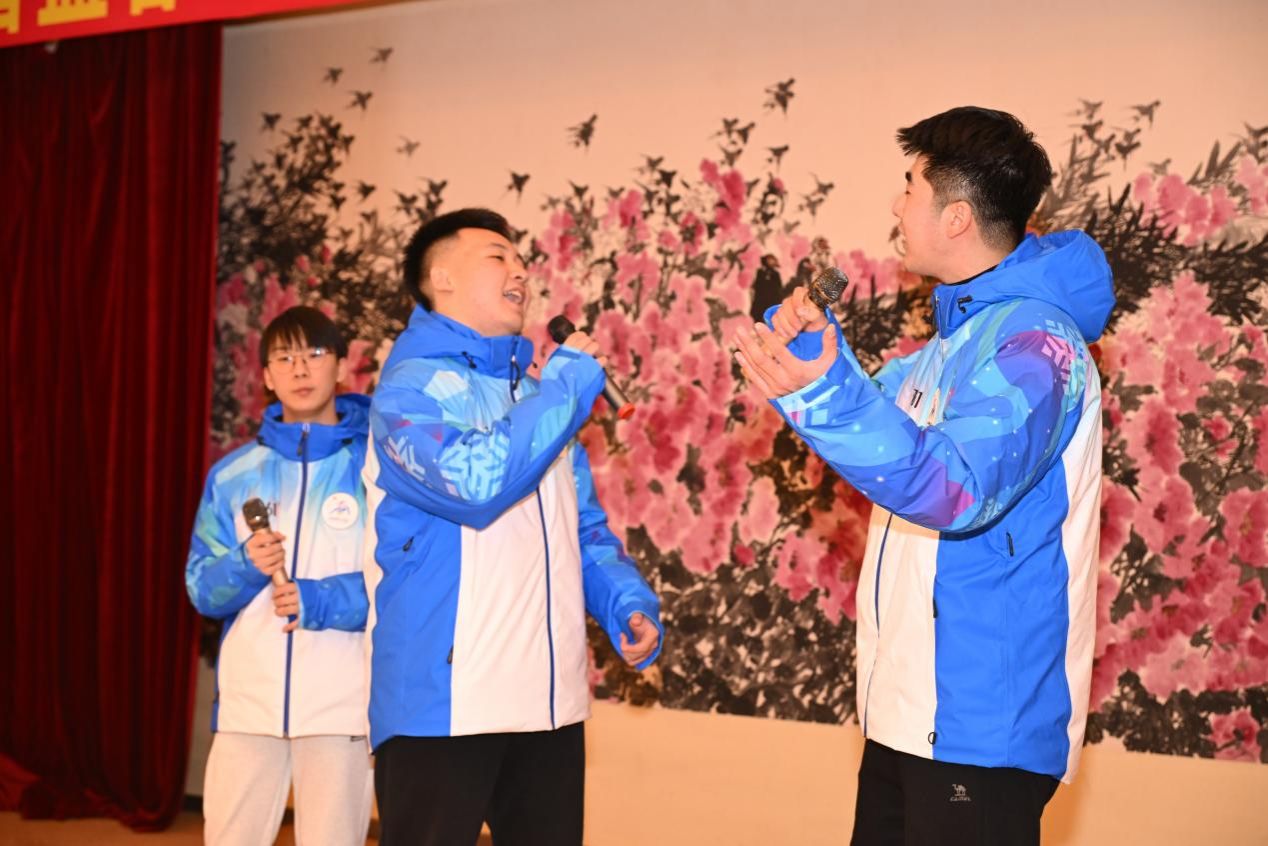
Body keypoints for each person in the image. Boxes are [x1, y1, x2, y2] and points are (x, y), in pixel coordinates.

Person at [734, 106, 1115, 845]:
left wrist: (825, 393)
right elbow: (886, 438)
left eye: (910, 186)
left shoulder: (1036, 348)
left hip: (981, 731)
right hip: (907, 718)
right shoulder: (947, 349)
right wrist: (818, 361)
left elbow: (953, 488)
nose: (895, 204)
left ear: (957, 217)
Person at [363, 207, 663, 845]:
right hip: (443, 704)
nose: (521, 271)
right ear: (441, 277)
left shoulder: (538, 397)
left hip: (548, 706)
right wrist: (563, 391)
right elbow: (474, 485)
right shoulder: (407, 392)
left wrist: (624, 602)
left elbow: (583, 529)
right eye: (498, 256)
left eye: (523, 260)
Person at [186, 306, 373, 846]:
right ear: (266, 375)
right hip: (249, 707)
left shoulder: (376, 469)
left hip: (342, 706)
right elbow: (202, 589)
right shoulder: (233, 474)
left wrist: (320, 599)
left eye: (314, 353)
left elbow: (402, 582)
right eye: (284, 358)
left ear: (341, 366)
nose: (300, 369)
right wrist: (245, 564)